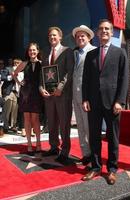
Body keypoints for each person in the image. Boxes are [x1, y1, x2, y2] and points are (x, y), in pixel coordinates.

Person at [81, 19, 128, 184]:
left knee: (113, 137)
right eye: (101, 29)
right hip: (93, 102)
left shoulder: (120, 53)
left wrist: (120, 101)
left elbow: (124, 79)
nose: (104, 31)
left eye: (107, 28)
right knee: (94, 136)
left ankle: (112, 169)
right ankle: (95, 167)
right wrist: (85, 98)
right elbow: (85, 79)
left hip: (113, 103)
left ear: (112, 31)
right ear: (98, 32)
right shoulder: (90, 54)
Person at [39, 26, 74, 163]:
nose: (52, 38)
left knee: (64, 124)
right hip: (49, 95)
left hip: (63, 94)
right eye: (50, 36)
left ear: (60, 37)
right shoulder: (46, 53)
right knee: (52, 122)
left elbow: (69, 72)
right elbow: (42, 74)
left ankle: (65, 151)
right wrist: (41, 87)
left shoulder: (68, 51)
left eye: (54, 35)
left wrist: (60, 87)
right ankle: (54, 147)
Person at [72, 25, 96, 165]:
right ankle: (86, 154)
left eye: (83, 36)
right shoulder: (76, 53)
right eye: (78, 36)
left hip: (87, 98)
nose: (80, 38)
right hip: (76, 96)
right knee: (80, 127)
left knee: (89, 128)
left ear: (88, 37)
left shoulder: (94, 51)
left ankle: (94, 156)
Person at [13, 42, 43, 154]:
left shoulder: (42, 63)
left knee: (35, 119)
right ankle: (29, 144)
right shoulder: (24, 63)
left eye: (34, 50)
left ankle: (38, 143)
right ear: (28, 52)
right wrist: (20, 83)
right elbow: (14, 73)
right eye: (30, 50)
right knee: (27, 118)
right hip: (25, 94)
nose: (32, 52)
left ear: (38, 51)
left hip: (37, 93)